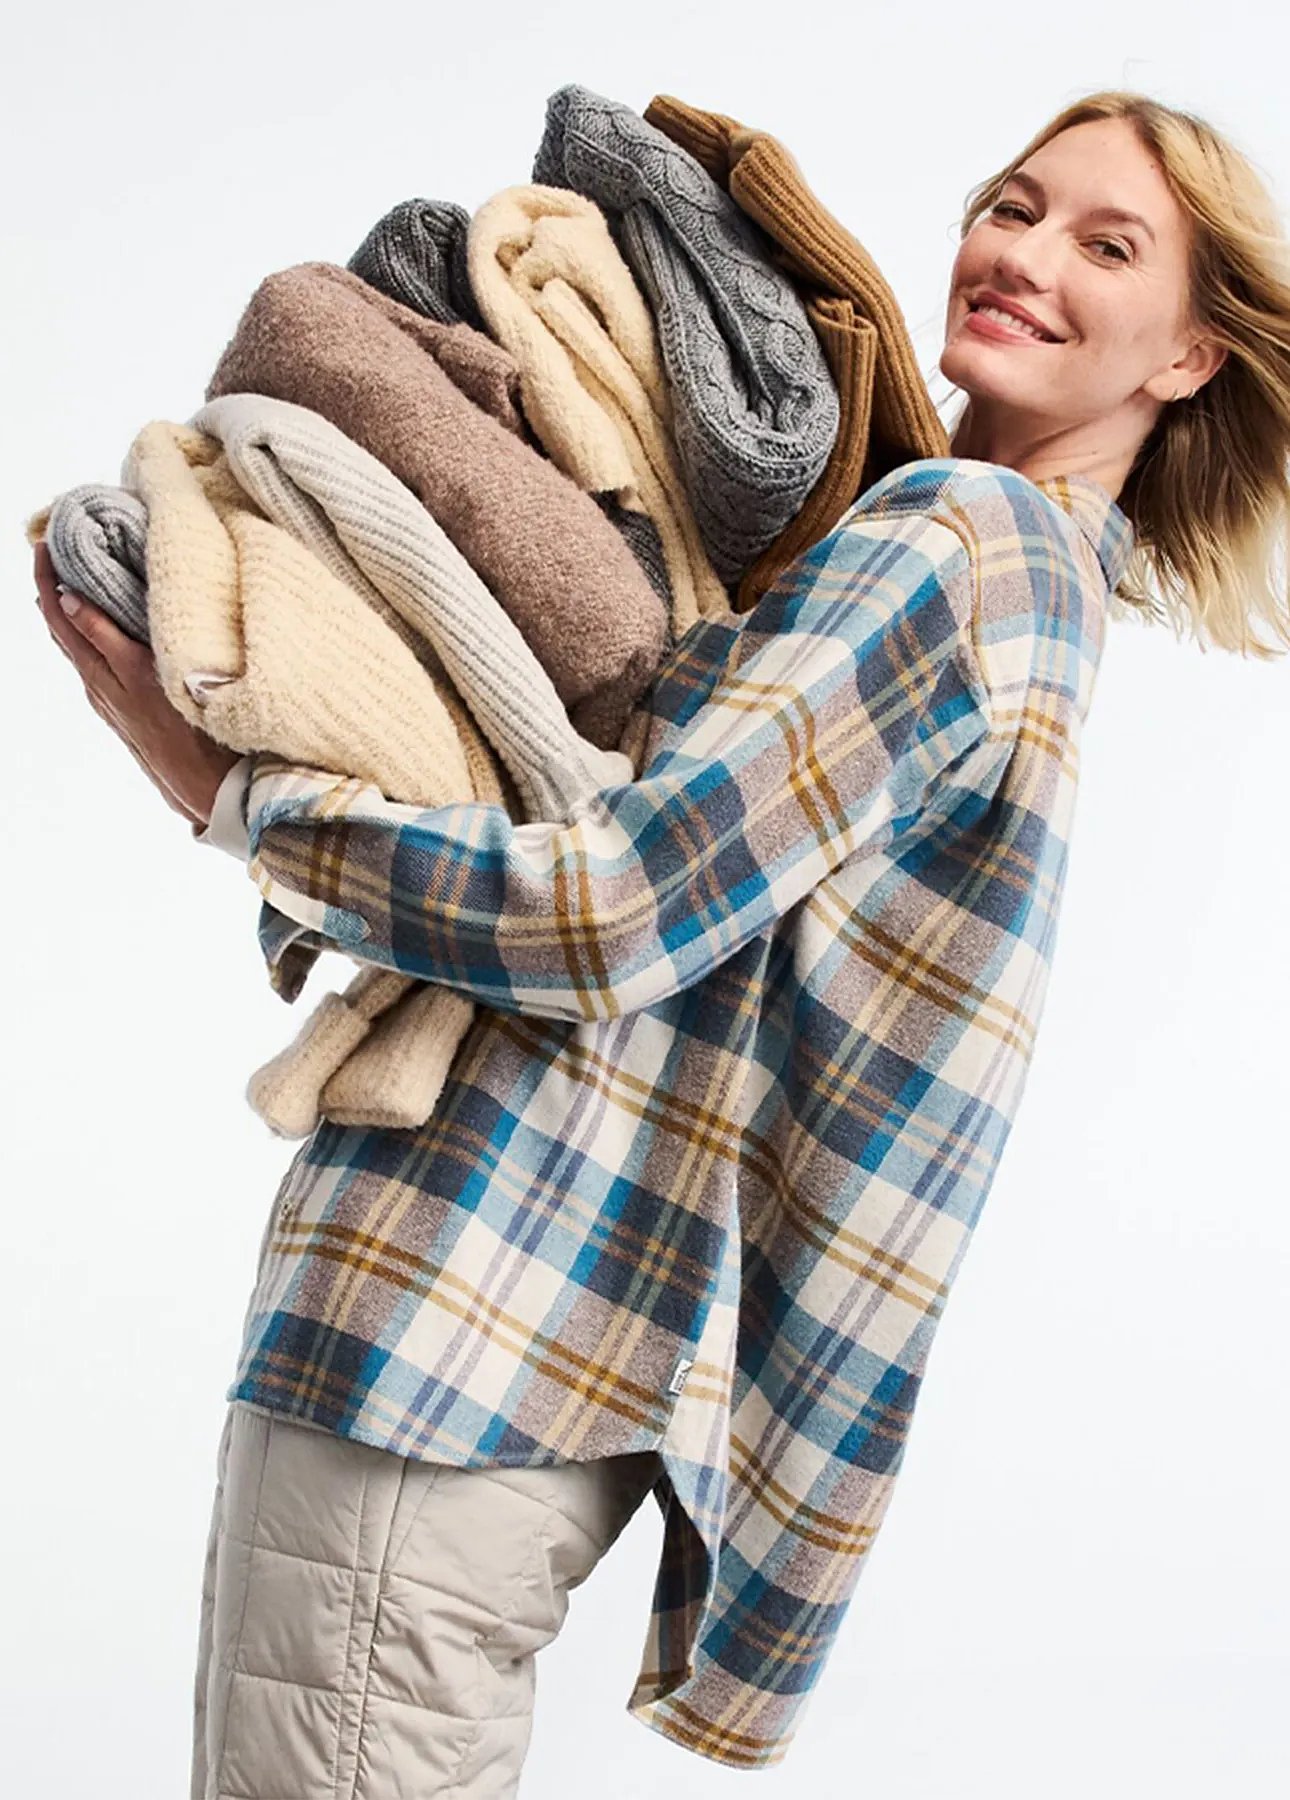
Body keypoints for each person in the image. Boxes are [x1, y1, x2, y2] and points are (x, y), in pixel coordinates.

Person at [33, 88, 1290, 1798]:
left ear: (1191, 358)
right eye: (1012, 205)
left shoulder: (961, 544)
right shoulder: (1005, 570)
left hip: (463, 1338)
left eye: (1105, 242)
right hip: (530, 1366)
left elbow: (613, 904)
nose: (1021, 254)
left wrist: (242, 802)